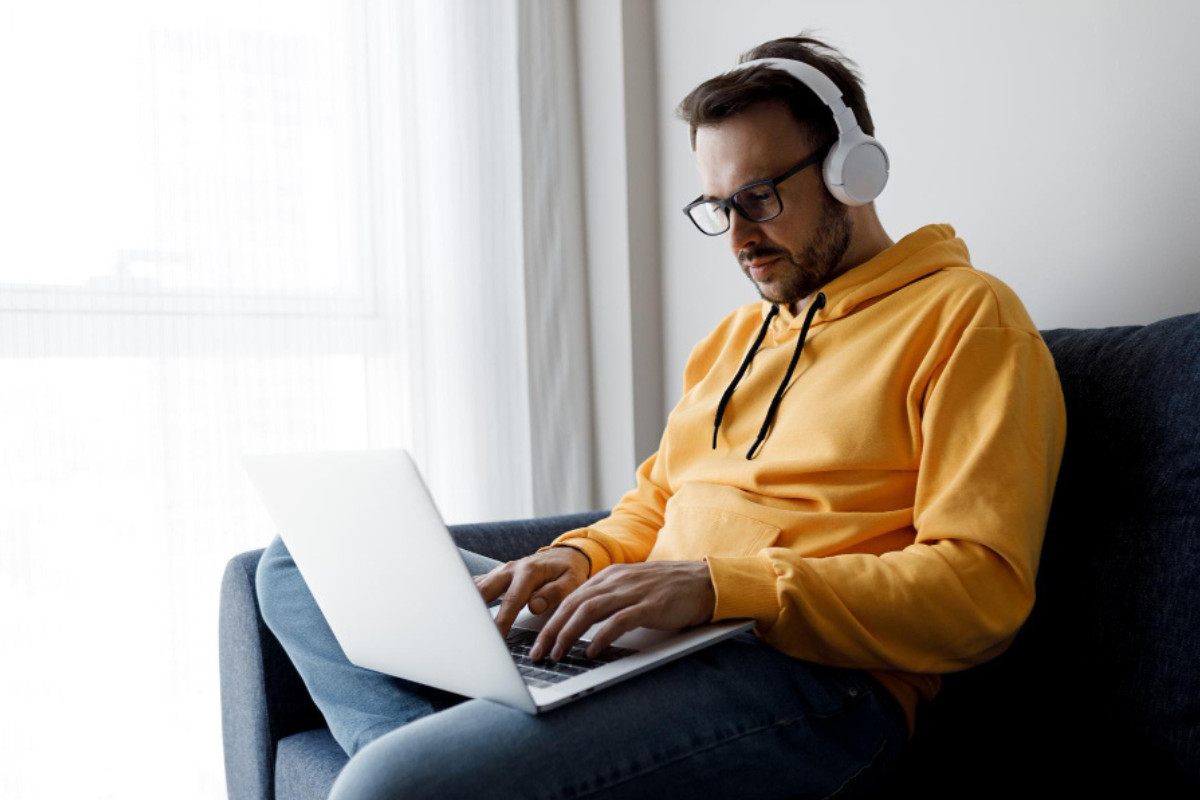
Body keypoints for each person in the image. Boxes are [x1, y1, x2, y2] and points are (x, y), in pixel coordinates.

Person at [256, 33, 1067, 799]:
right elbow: (653, 507)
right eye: (719, 206)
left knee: (387, 783)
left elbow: (979, 591)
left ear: (853, 172)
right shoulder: (734, 339)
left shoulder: (968, 319)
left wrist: (724, 589)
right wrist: (577, 560)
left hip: (814, 682)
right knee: (292, 566)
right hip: (651, 646)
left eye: (759, 197)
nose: (740, 238)